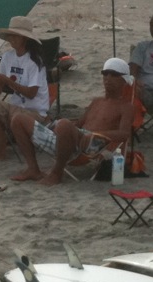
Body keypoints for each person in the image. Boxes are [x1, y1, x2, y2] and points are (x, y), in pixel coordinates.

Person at [8, 57, 134, 186]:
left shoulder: (125, 106)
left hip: (92, 145)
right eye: (105, 73)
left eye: (114, 74)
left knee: (64, 124)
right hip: (71, 139)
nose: (108, 78)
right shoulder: (96, 102)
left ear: (124, 80)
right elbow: (78, 124)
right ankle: (33, 169)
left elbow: (124, 134)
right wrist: (59, 125)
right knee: (18, 119)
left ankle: (56, 173)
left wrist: (95, 134)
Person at [0, 15, 50, 160]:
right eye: (10, 35)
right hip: (16, 106)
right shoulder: (8, 57)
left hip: (34, 111)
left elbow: (31, 93)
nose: (11, 39)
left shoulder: (34, 61)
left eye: (15, 36)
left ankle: (1, 151)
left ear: (24, 38)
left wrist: (8, 81)